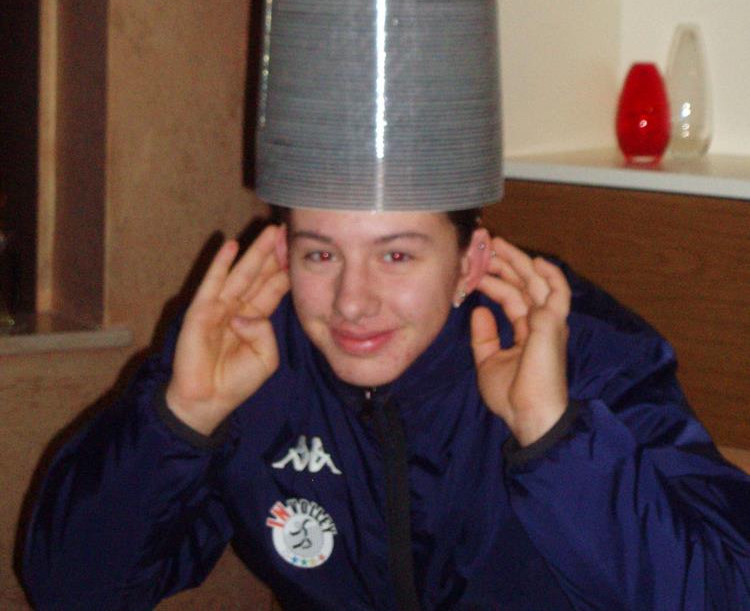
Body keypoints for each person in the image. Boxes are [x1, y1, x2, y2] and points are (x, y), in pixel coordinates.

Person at [23, 207, 750, 610]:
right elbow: (71, 592)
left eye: (396, 255)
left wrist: (553, 436)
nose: (352, 302)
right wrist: (181, 417)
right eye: (321, 255)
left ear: (470, 261)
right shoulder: (245, 353)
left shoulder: (578, 347)